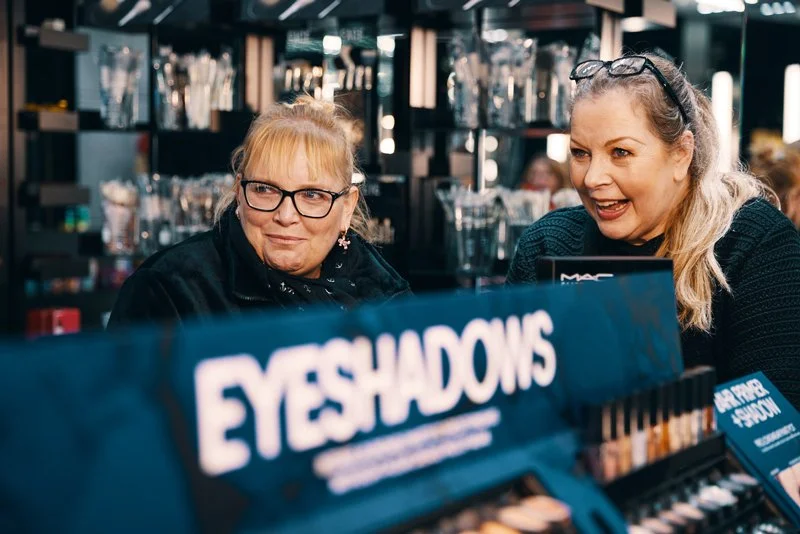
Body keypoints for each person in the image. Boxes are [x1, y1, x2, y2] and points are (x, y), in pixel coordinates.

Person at [507, 53, 800, 407]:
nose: (593, 177)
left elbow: (774, 416)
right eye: (580, 153)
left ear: (681, 154)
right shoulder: (548, 243)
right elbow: (512, 405)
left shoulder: (755, 244)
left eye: (620, 152)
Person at [108, 97, 410, 326]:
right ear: (240, 192)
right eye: (266, 190)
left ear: (347, 207)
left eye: (312, 195)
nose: (287, 215)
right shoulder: (169, 290)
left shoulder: (383, 292)